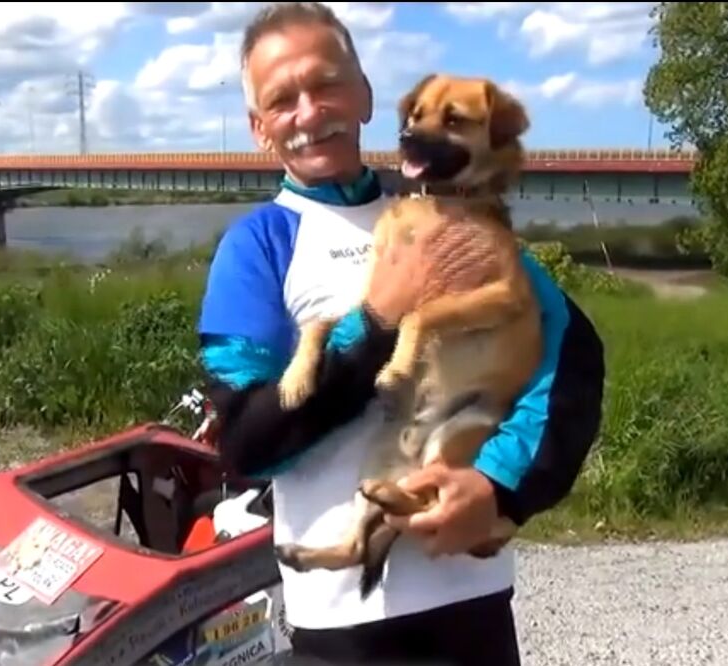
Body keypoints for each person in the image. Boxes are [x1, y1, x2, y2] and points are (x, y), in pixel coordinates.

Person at [196, 3, 606, 664]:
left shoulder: (455, 213)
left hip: (473, 608)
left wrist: (500, 486)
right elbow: (248, 445)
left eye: (325, 83)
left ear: (362, 94)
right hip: (341, 628)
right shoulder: (258, 247)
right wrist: (377, 322)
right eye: (282, 99)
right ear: (258, 127)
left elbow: (572, 358)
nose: (309, 111)